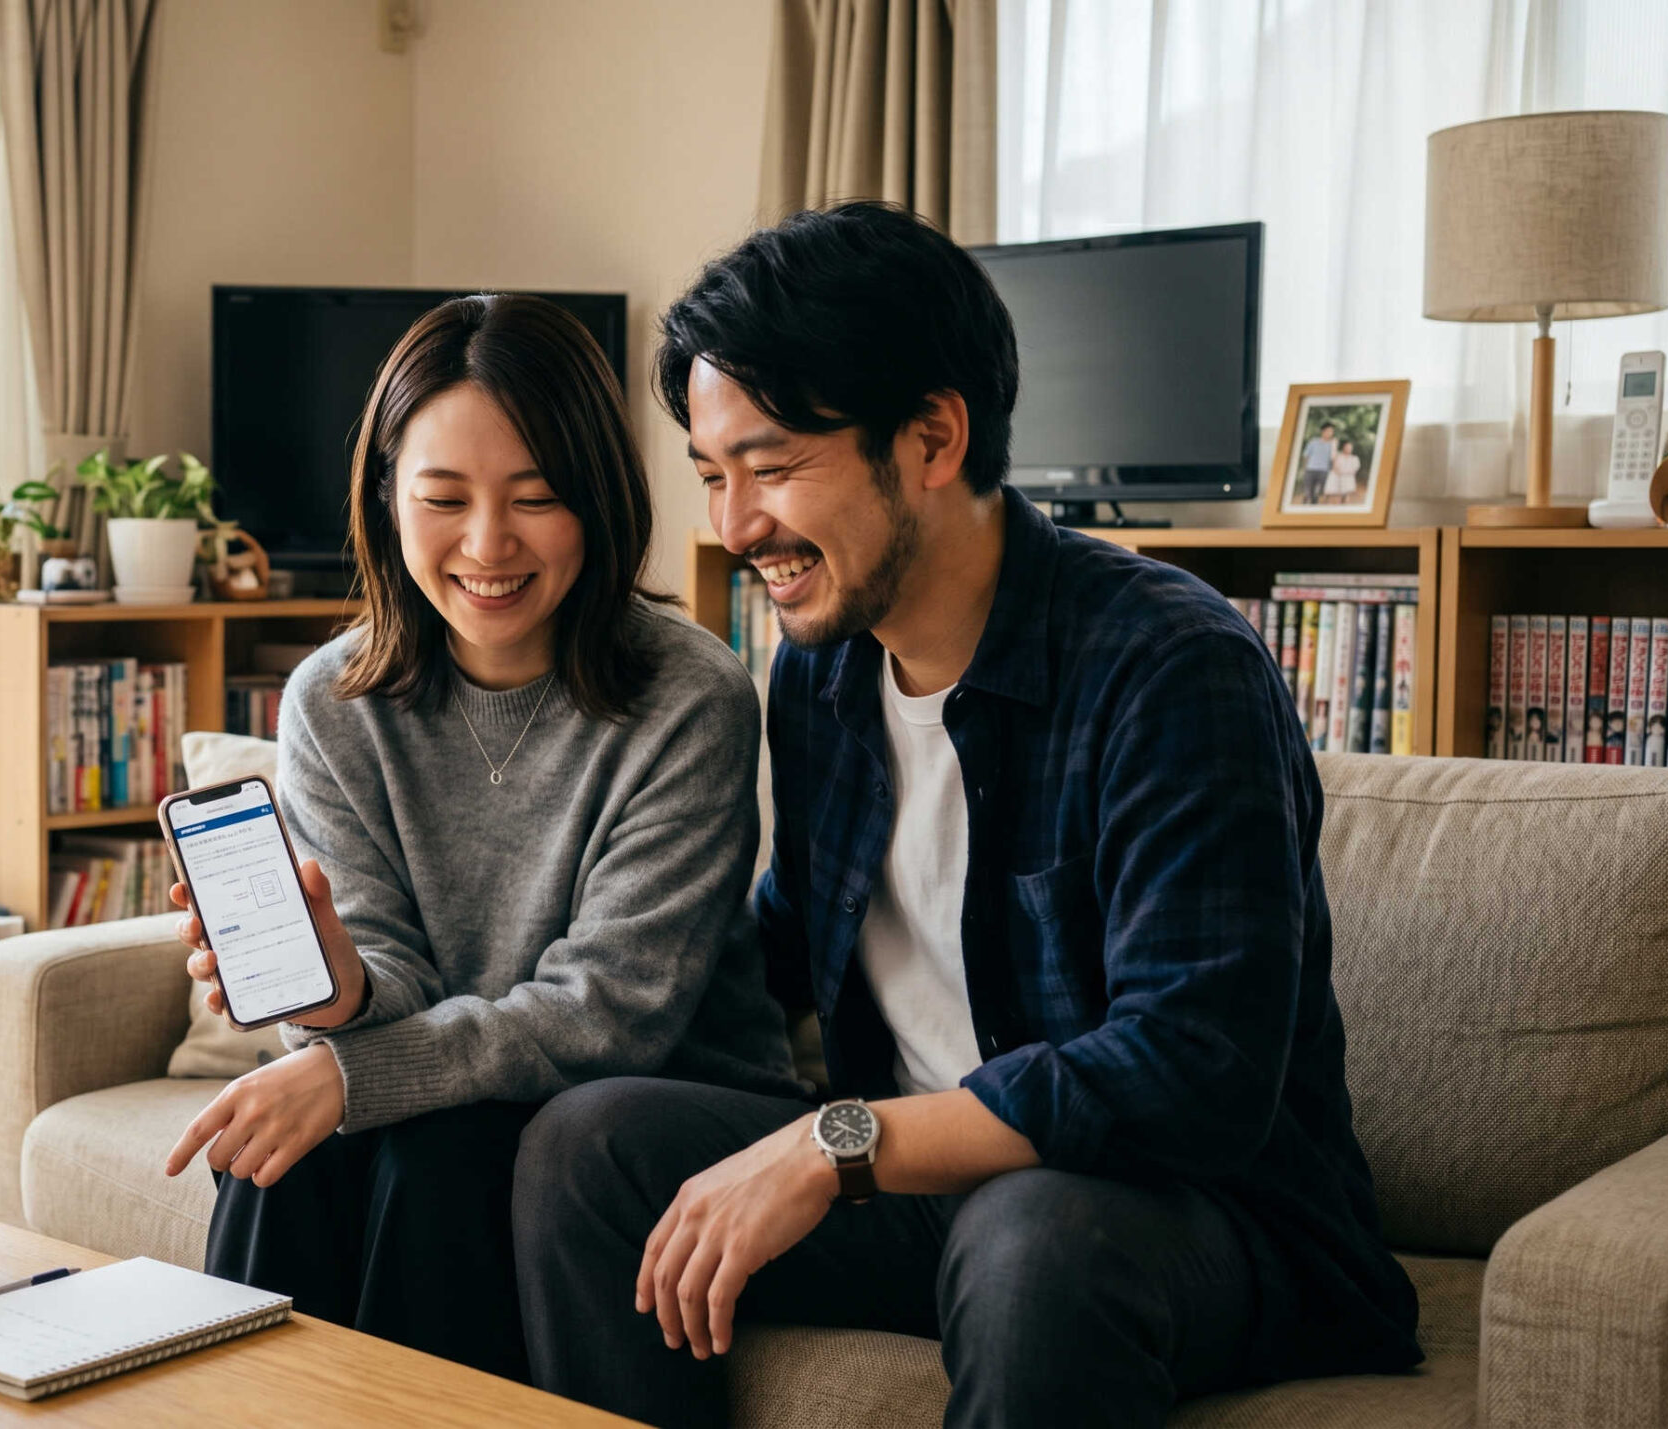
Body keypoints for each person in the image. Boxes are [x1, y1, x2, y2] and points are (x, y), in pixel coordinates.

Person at [512, 203, 1420, 1429]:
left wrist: (833, 1144)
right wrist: (524, 985)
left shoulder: (1169, 662)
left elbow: (1194, 1067)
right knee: (588, 1145)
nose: (734, 529)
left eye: (773, 467)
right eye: (713, 475)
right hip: (927, 1192)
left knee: (1034, 1229)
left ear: (932, 437)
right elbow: (786, 935)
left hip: (1187, 1218)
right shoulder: (821, 674)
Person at [159, 293, 801, 1381]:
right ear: (387, 500)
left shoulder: (689, 694)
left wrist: (355, 1074)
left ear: (595, 499)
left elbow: (611, 1010)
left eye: (536, 498)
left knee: (429, 1151)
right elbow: (391, 985)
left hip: (644, 1110)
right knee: (286, 1160)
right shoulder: (331, 701)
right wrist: (334, 990)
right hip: (457, 1095)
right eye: (442, 499)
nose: (487, 544)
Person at [1298, 421, 1337, 505]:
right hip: (1310, 470)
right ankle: (1302, 509)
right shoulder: (1313, 442)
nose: (1331, 433)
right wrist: (1305, 468)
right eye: (1329, 431)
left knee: (1317, 493)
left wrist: (1334, 445)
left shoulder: (1332, 444)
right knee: (1307, 492)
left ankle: (1313, 509)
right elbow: (1306, 455)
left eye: (1332, 431)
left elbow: (1333, 458)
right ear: (1323, 431)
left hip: (1323, 471)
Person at [1325, 437, 1361, 505]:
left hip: (1348, 480)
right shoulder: (1338, 456)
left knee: (1346, 498)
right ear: (1343, 448)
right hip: (1338, 480)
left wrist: (1345, 473)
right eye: (1347, 447)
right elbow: (1334, 463)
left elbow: (1354, 470)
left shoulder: (1354, 458)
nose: (1348, 449)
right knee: (1336, 498)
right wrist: (1334, 444)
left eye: (1350, 447)